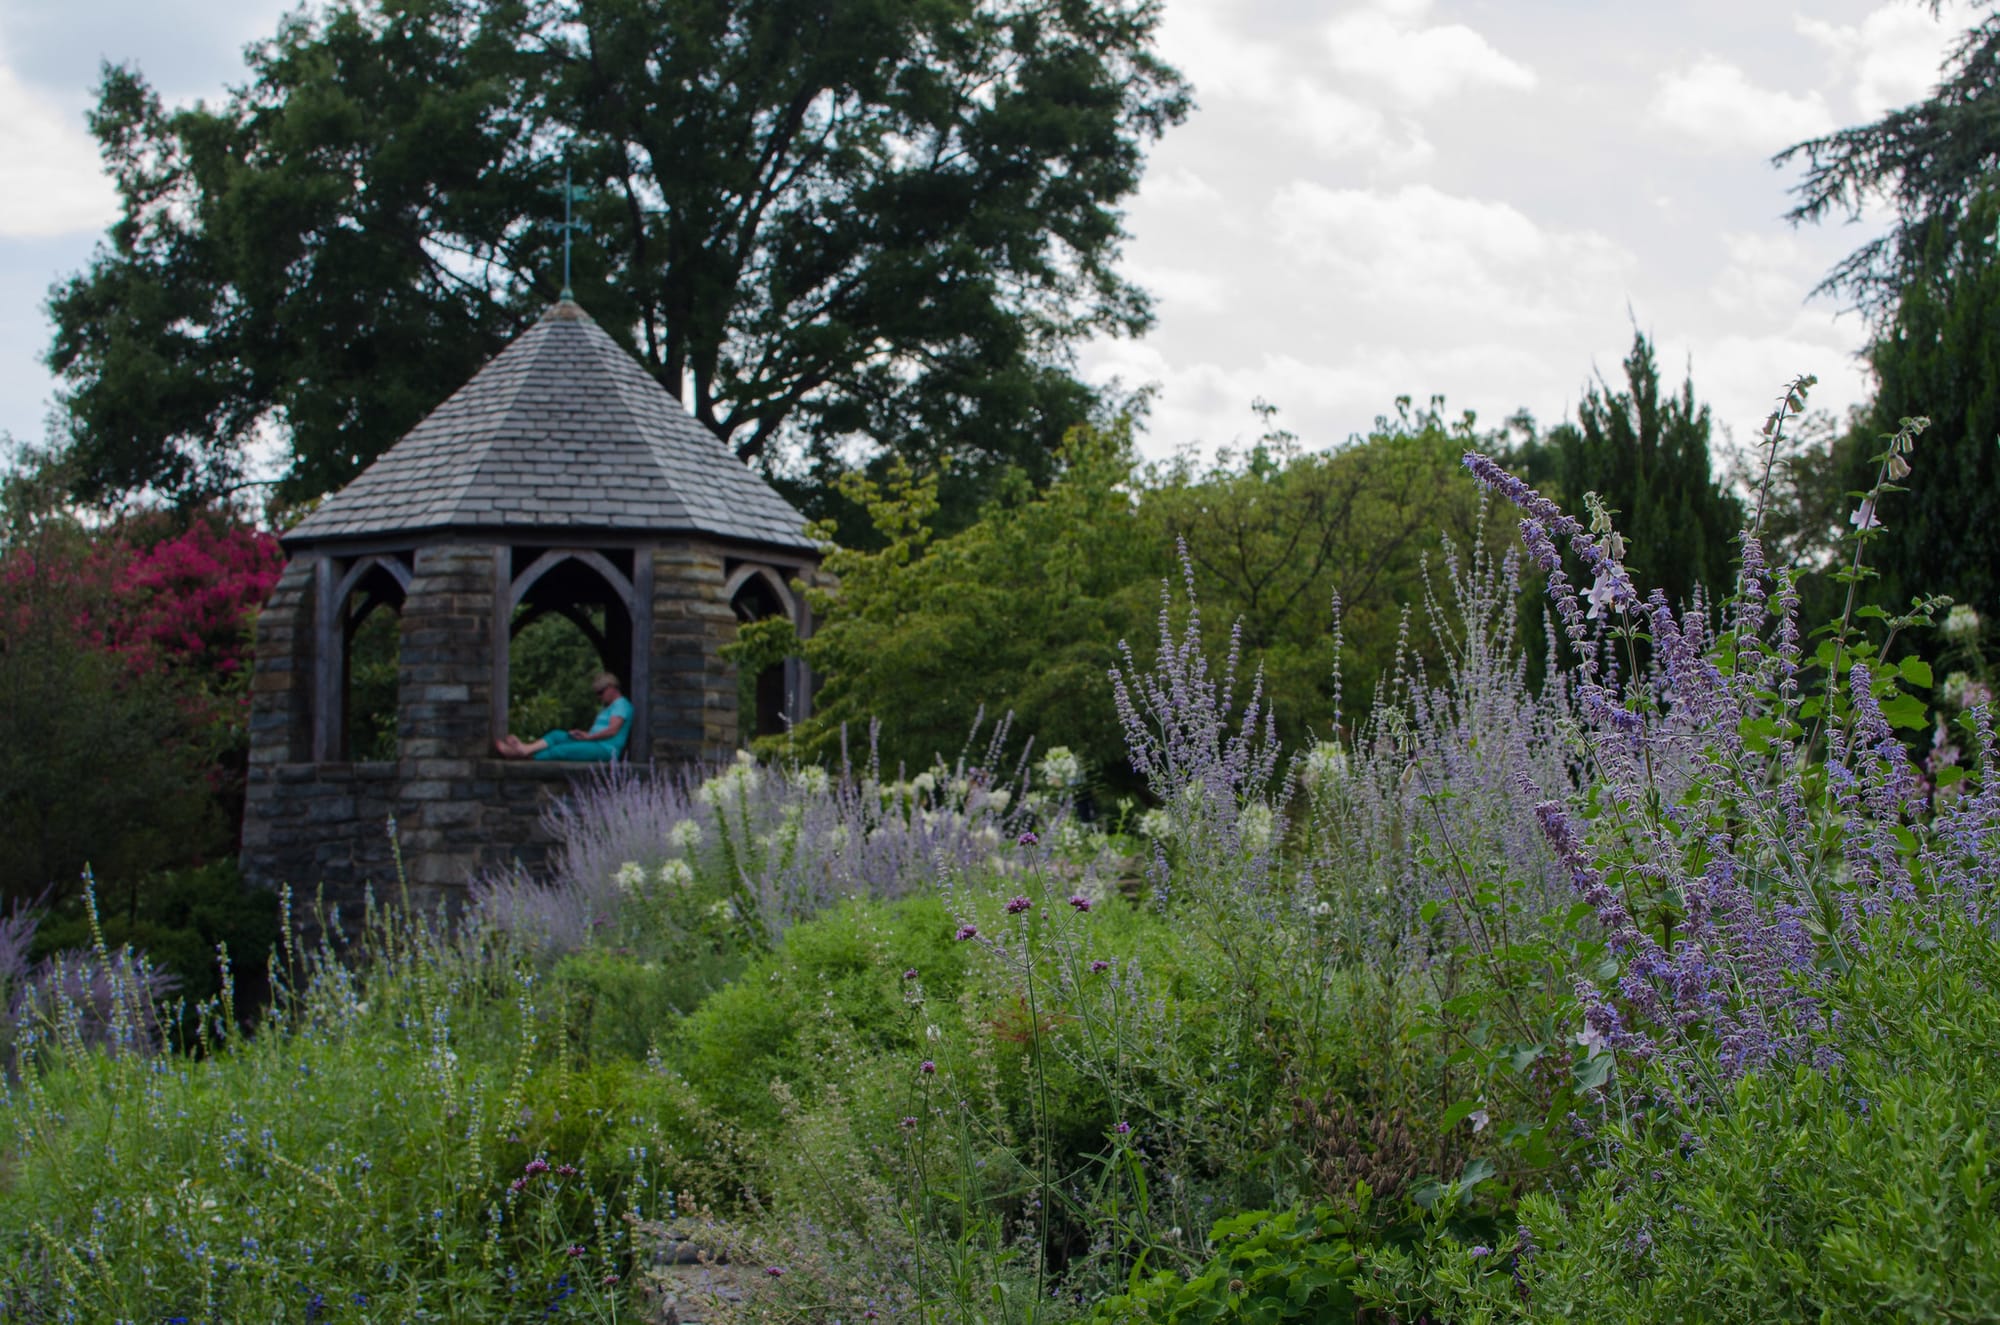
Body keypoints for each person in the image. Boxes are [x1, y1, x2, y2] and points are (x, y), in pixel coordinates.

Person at [496, 672, 633, 761]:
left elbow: (612, 730)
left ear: (611, 688)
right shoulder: (607, 707)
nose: (599, 697)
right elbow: (599, 730)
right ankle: (526, 749)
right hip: (593, 741)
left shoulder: (621, 704)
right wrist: (585, 735)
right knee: (557, 736)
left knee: (560, 751)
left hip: (604, 749)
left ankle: (524, 757)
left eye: (601, 692)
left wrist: (589, 737)